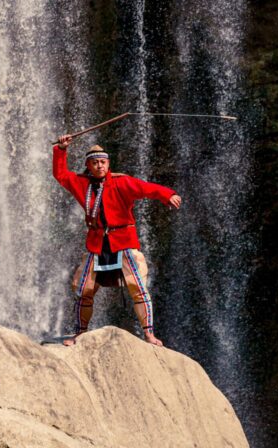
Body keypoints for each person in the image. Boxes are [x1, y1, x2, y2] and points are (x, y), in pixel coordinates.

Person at [53, 135, 182, 346]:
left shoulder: (122, 182)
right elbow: (60, 175)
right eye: (94, 163)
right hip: (97, 243)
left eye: (103, 162)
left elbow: (146, 188)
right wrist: (61, 149)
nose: (99, 166)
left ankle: (149, 334)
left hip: (122, 241)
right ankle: (79, 333)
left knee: (137, 286)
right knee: (83, 288)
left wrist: (167, 195)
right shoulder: (81, 184)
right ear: (88, 165)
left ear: (108, 163)